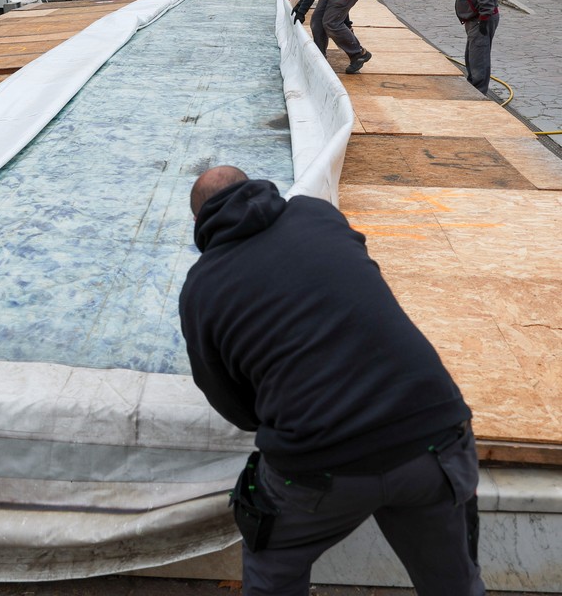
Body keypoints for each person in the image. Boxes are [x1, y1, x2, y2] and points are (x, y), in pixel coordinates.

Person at [179, 165, 485, 596]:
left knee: (272, 573)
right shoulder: (316, 214)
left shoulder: (201, 287)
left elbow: (236, 409)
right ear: (255, 186)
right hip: (433, 437)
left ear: (198, 222)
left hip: (317, 467)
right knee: (454, 583)